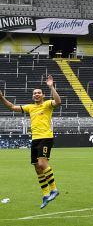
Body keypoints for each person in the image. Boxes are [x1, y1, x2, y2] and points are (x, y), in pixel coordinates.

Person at [1, 76, 62, 208]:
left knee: (42, 163)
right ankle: (46, 194)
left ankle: (54, 189)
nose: (36, 95)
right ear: (32, 96)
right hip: (35, 139)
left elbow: (58, 101)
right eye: (34, 93)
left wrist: (51, 86)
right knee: (37, 167)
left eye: (39, 93)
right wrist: (1, 97)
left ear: (43, 95)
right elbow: (11, 107)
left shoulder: (47, 104)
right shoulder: (29, 107)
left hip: (46, 137)